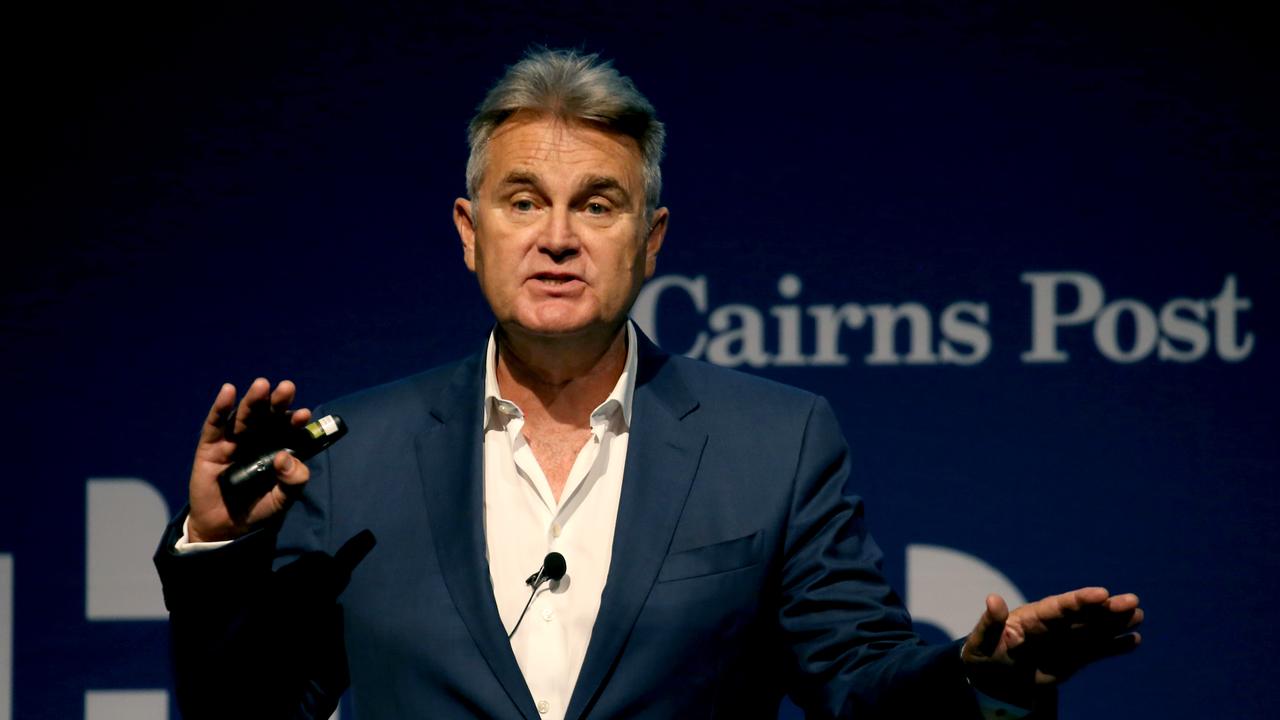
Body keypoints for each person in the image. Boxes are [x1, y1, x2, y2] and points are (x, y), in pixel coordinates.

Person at [154, 49, 1142, 720]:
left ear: (649, 242)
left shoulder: (774, 442)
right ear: (469, 234)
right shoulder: (350, 454)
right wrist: (215, 551)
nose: (554, 237)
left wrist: (984, 675)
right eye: (522, 201)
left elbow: (855, 681)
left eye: (596, 205)